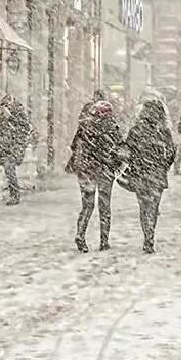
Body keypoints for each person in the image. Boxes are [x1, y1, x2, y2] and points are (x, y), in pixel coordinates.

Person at [68, 99, 124, 252]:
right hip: (105, 169)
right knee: (105, 206)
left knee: (87, 205)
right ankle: (104, 241)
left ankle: (80, 235)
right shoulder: (112, 126)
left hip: (86, 169)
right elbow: (119, 148)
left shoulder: (85, 125)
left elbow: (74, 145)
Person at [121, 99, 177, 252]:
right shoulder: (164, 131)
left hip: (140, 174)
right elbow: (172, 152)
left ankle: (147, 234)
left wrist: (134, 163)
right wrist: (164, 166)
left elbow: (127, 152)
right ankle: (150, 235)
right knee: (153, 207)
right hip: (157, 174)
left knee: (143, 207)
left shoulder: (136, 130)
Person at [0, 96, 33, 205]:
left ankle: (15, 195)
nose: (4, 109)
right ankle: (13, 191)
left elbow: (24, 127)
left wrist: (10, 117)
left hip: (16, 146)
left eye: (6, 106)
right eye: (3, 106)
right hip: (5, 147)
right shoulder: (1, 117)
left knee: (9, 167)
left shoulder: (19, 114)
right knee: (8, 170)